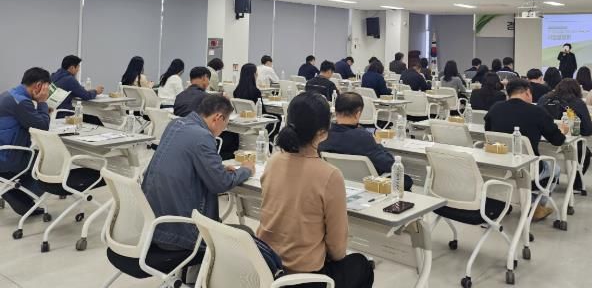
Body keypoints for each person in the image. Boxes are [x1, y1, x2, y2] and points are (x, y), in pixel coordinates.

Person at [257, 92, 374, 287]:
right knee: (361, 265)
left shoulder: (273, 161)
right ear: (323, 131)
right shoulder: (329, 175)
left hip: (268, 265)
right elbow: (337, 249)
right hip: (307, 278)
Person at [142, 94, 254, 252]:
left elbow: (183, 164)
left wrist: (218, 169)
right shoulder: (202, 136)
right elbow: (221, 183)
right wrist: (246, 170)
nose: (224, 129)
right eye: (226, 124)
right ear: (218, 118)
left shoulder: (175, 124)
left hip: (155, 226)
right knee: (247, 234)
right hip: (183, 234)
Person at [484, 79, 566, 221]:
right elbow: (557, 140)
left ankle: (527, 202)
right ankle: (536, 207)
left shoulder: (495, 108)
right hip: (528, 168)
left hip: (500, 166)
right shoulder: (537, 111)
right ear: (527, 92)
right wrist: (563, 131)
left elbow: (488, 133)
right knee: (556, 169)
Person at [319, 92, 412, 190]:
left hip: (336, 183)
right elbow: (390, 164)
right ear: (358, 114)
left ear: (335, 111)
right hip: (370, 185)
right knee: (405, 180)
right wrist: (378, 144)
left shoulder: (323, 134)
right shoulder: (363, 137)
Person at [0, 68, 51, 215]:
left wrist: (39, 111)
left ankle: (15, 191)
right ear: (39, 85)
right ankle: (18, 195)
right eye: (47, 88)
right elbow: (43, 127)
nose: (47, 92)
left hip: (4, 151)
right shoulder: (22, 103)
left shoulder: (9, 94)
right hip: (8, 158)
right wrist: (42, 103)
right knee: (49, 161)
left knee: (37, 156)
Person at [538, 79, 592, 191]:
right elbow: (587, 130)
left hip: (542, 144)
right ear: (577, 90)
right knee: (585, 152)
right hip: (567, 146)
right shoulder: (578, 103)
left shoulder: (543, 99)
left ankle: (550, 178)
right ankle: (576, 184)